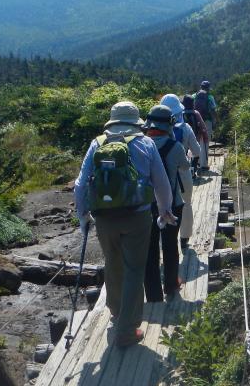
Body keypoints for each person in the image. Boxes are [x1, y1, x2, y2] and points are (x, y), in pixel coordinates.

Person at [74, 101, 175, 348]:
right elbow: (161, 184)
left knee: (113, 263)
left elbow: (80, 184)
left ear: (112, 121)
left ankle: (117, 314)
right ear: (136, 122)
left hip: (104, 218)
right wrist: (165, 211)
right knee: (133, 270)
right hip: (137, 217)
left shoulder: (97, 143)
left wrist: (83, 216)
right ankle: (127, 331)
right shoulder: (146, 143)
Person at [142, 104, 194, 301]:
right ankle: (171, 285)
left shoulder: (140, 145)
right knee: (170, 245)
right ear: (169, 125)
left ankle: (153, 293)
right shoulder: (175, 147)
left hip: (146, 206)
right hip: (173, 205)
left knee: (150, 248)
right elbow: (185, 165)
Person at [160, 94, 201, 249]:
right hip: (183, 173)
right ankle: (184, 239)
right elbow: (197, 151)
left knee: (162, 205)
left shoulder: (152, 130)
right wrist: (187, 155)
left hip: (161, 174)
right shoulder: (185, 128)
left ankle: (164, 239)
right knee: (186, 204)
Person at [181, 94, 209, 178]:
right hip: (196, 136)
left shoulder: (181, 113)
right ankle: (193, 171)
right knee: (195, 154)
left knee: (185, 153)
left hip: (183, 137)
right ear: (193, 103)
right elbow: (203, 126)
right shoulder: (196, 113)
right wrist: (205, 136)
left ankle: (185, 171)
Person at [193, 80, 218, 170]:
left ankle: (197, 162)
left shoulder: (194, 96)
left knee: (197, 141)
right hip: (207, 121)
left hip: (196, 121)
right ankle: (204, 164)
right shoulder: (210, 97)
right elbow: (213, 110)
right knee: (205, 142)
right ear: (208, 88)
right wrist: (215, 121)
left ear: (201, 87)